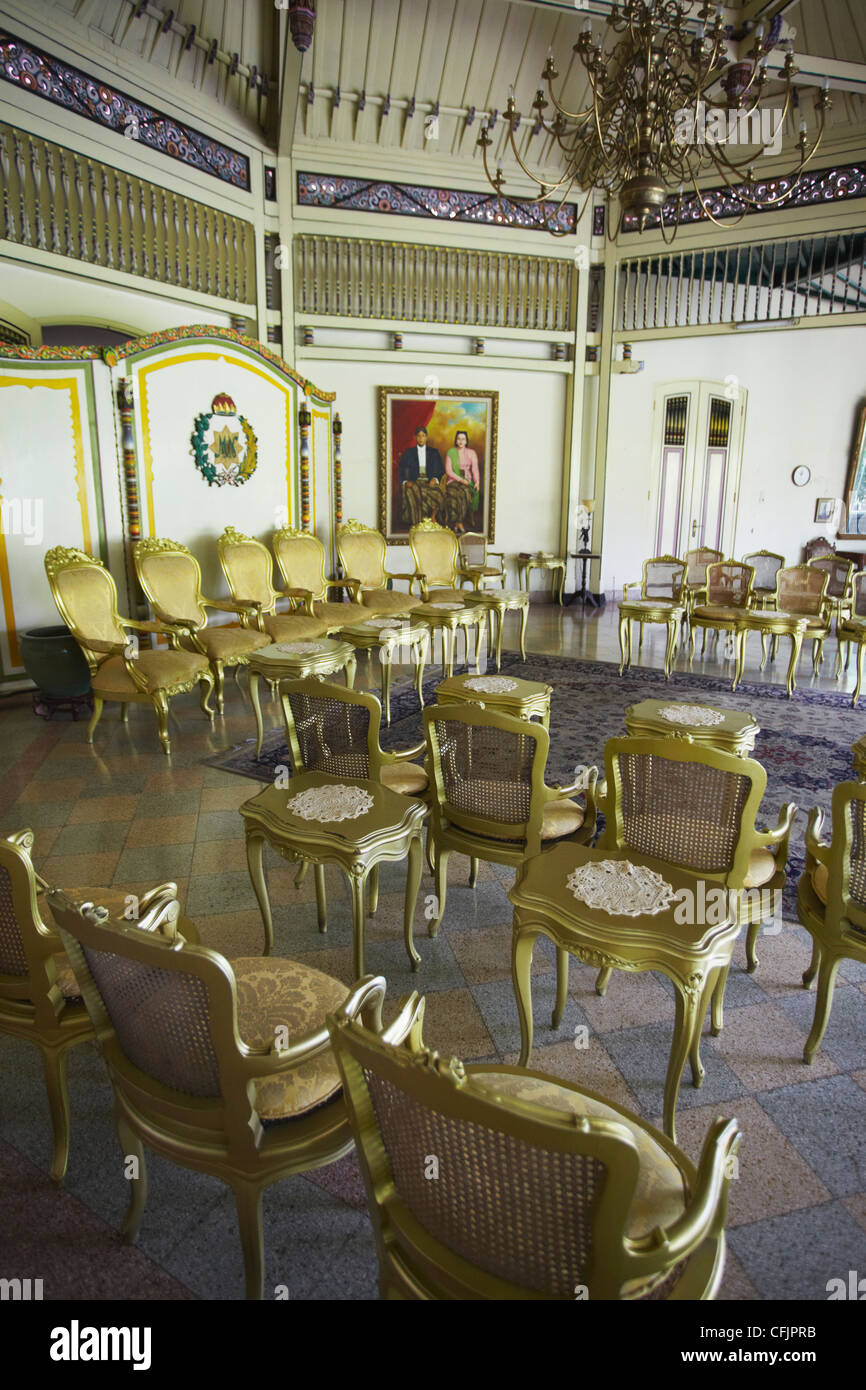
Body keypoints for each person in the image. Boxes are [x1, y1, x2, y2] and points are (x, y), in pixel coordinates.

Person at [398, 427, 445, 526]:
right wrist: (405, 481)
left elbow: (441, 470)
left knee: (438, 493)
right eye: (418, 436)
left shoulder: (434, 452)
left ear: (426, 437)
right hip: (414, 482)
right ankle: (418, 520)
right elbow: (401, 469)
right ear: (415, 437)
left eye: (423, 436)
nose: (421, 438)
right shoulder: (409, 453)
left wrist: (435, 479)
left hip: (429, 481)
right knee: (411, 491)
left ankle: (432, 517)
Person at [443, 429, 480, 534]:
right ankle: (458, 522)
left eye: (463, 439)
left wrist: (477, 482)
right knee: (455, 494)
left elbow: (475, 469)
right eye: (458, 439)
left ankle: (458, 522)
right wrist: (461, 480)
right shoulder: (451, 452)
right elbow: (448, 471)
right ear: (456, 440)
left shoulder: (472, 453)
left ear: (466, 441)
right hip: (453, 481)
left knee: (465, 493)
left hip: (468, 481)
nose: (460, 441)